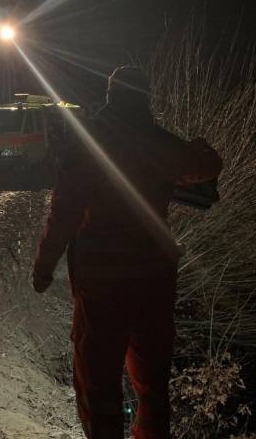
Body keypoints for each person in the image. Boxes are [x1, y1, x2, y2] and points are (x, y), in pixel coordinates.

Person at [32, 66, 223, 439]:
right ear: (145, 97)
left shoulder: (90, 143)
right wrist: (198, 145)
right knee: (153, 383)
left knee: (98, 381)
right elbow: (209, 165)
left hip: (101, 281)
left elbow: (65, 211)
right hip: (154, 278)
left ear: (111, 95)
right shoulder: (161, 143)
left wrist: (44, 267)